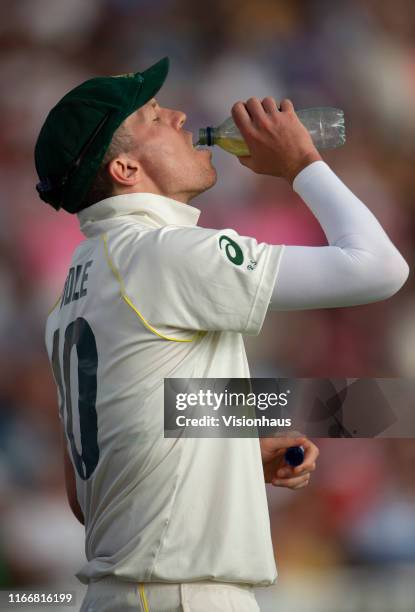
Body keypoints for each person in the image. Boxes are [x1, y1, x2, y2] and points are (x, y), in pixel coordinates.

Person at [34, 57, 408, 612]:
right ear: (126, 170)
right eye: (156, 117)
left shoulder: (75, 289)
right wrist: (302, 163)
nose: (182, 116)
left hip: (134, 595)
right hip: (178, 597)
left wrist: (233, 458)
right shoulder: (161, 255)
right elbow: (380, 268)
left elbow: (91, 489)